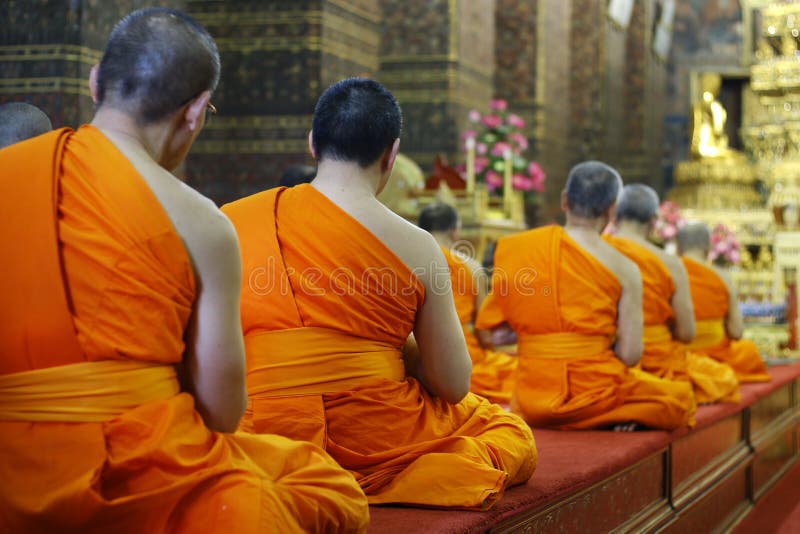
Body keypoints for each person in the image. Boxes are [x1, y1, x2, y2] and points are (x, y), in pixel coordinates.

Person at [0, 9, 368, 533]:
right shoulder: (202, 222)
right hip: (142, 477)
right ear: (195, 111)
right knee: (323, 487)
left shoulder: (9, 176)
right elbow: (220, 411)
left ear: (95, 82)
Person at [222, 77, 536, 510]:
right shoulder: (419, 246)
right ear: (392, 153)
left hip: (264, 433)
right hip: (378, 434)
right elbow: (452, 383)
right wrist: (383, 349)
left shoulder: (237, 222)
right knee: (509, 431)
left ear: (313, 142)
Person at [476, 161, 696, 430]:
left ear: (565, 200)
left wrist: (540, 336)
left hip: (531, 397)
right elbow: (630, 354)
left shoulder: (522, 249)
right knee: (677, 401)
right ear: (612, 210)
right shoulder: (625, 268)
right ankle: (615, 416)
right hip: (595, 394)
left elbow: (492, 335)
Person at [606, 184, 740, 404]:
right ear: (653, 221)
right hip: (657, 364)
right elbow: (687, 332)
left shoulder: (593, 254)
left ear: (614, 215)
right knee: (720, 379)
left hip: (606, 362)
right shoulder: (671, 264)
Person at [417, 201, 517, 404]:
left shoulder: (408, 260)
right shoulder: (470, 266)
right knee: (515, 370)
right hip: (460, 350)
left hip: (418, 350)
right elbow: (482, 326)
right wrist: (489, 349)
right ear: (455, 231)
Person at [677, 223, 770, 382]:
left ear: (678, 248)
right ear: (708, 247)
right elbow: (736, 332)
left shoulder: (665, 273)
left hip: (679, 355)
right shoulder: (721, 277)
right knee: (748, 350)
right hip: (717, 357)